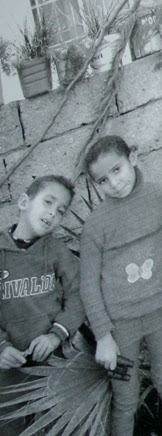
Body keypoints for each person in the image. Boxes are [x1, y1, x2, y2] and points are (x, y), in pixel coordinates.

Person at [80, 135, 162, 436]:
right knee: (126, 396)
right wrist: (103, 336)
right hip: (120, 327)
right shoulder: (96, 225)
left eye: (117, 170)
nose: (114, 183)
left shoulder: (161, 196)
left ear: (133, 157)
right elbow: (88, 285)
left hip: (160, 314)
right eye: (103, 180)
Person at [0, 175, 84, 436]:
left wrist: (55, 335)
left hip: (52, 361)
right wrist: (1, 347)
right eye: (48, 202)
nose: (52, 213)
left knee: (55, 427)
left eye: (60, 211)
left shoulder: (57, 250)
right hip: (8, 367)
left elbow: (78, 295)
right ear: (24, 202)